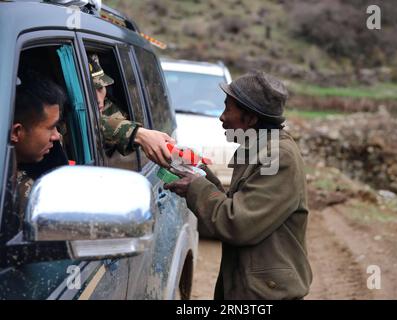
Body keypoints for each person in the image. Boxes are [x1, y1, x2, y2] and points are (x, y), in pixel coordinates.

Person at [164, 70, 313, 300]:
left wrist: (196, 187)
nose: (222, 117)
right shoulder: (256, 147)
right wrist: (200, 172)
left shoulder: (278, 157)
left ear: (251, 118)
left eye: (228, 108)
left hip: (266, 295)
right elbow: (237, 203)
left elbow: (237, 222)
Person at [88, 53, 174, 167]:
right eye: (89, 90)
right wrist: (137, 134)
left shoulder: (108, 106)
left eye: (100, 88)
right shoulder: (64, 111)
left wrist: (140, 134)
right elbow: (81, 123)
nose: (99, 100)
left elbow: (107, 121)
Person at [11, 75, 66, 227]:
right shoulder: (18, 197)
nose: (56, 136)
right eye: (50, 128)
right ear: (16, 132)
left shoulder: (53, 152)